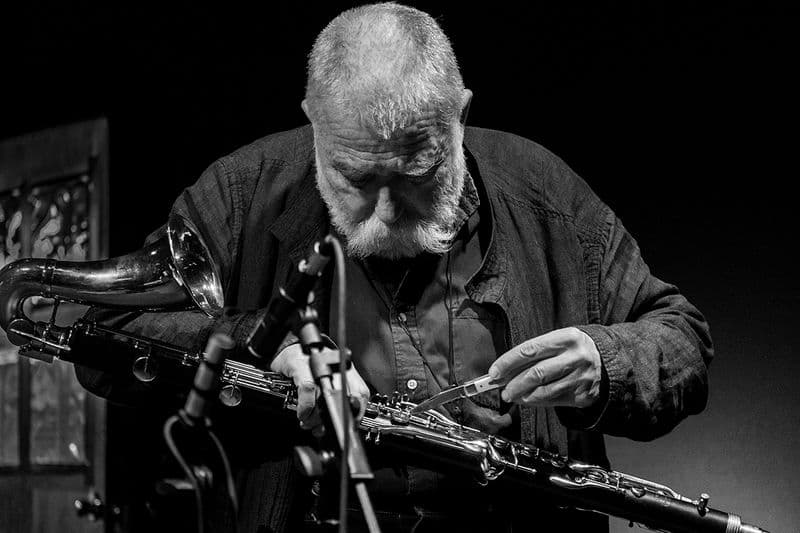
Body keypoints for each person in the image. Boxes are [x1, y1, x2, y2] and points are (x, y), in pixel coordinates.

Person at [77, 3, 712, 532]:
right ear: (314, 123)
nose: (384, 215)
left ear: (460, 116)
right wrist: (264, 347)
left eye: (416, 174)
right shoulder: (241, 192)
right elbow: (105, 332)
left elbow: (681, 338)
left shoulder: (543, 193)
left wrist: (603, 363)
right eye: (355, 179)